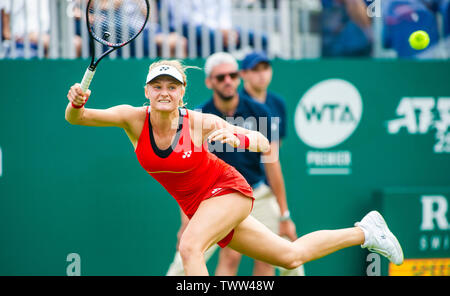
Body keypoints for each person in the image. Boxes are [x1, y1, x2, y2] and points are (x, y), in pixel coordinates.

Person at [65, 59, 404, 276]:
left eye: (172, 86)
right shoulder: (132, 119)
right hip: (199, 205)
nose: (164, 92)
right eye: (158, 86)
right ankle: (366, 232)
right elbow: (78, 118)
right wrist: (76, 101)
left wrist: (236, 137)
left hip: (229, 191)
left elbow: (262, 142)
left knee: (189, 248)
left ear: (183, 93)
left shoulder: (200, 122)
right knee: (289, 256)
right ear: (147, 91)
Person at [238, 51, 305, 276]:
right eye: (255, 70)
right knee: (230, 256)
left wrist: (278, 202)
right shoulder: (234, 103)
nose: (261, 75)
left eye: (265, 68)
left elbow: (274, 153)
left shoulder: (277, 103)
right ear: (243, 74)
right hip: (235, 191)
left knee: (271, 255)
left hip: (264, 191)